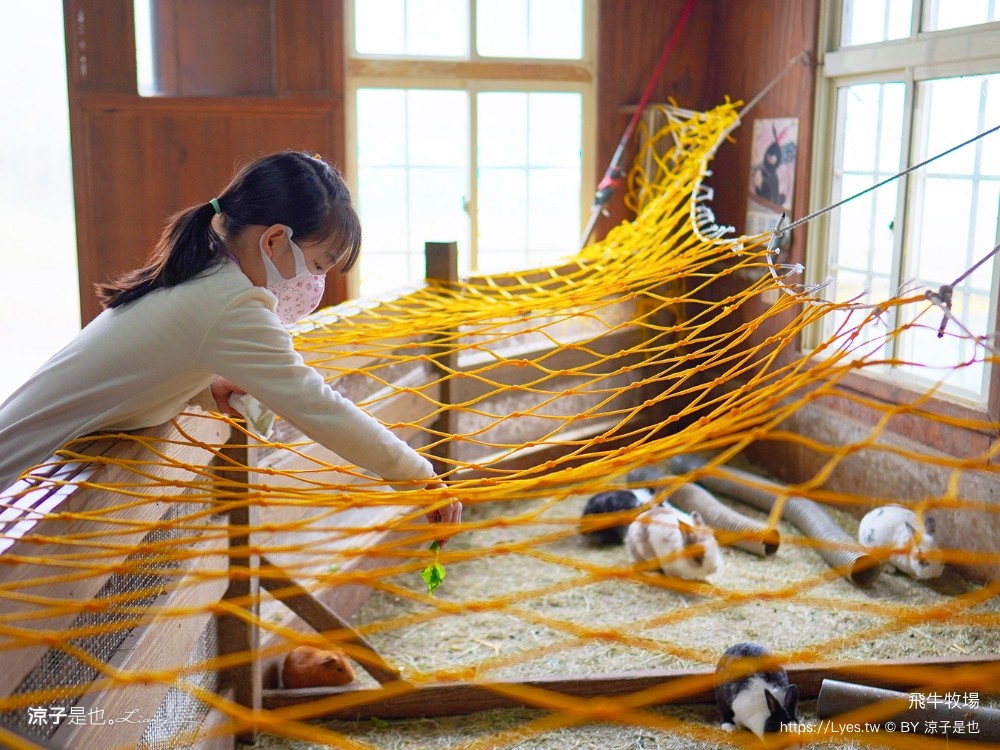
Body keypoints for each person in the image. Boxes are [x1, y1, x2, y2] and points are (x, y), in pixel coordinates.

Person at [0, 151, 461, 540]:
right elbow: (319, 407)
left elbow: (151, 364)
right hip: (16, 490)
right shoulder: (232, 302)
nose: (316, 281)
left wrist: (205, 386)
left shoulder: (205, 272)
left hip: (26, 473)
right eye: (319, 264)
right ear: (276, 240)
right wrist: (420, 479)